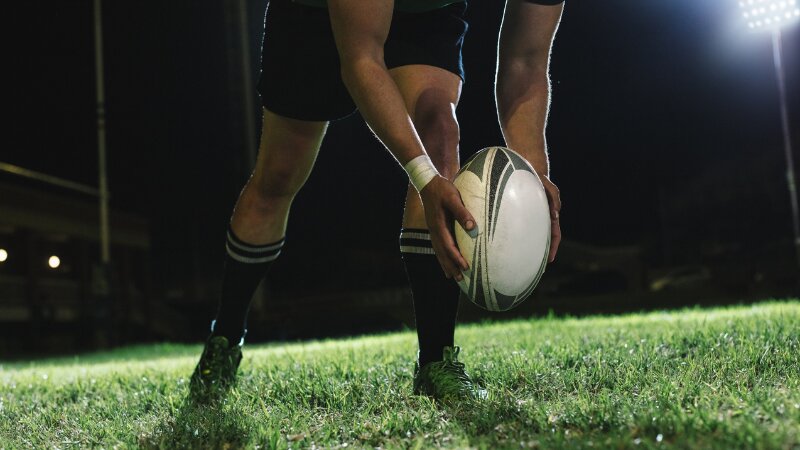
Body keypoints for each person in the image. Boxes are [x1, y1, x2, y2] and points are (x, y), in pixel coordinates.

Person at [190, 0, 564, 403]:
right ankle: (226, 335)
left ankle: (436, 359)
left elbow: (526, 60)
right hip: (314, 14)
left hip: (423, 13)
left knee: (439, 129)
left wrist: (533, 178)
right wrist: (424, 178)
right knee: (278, 176)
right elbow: (361, 61)